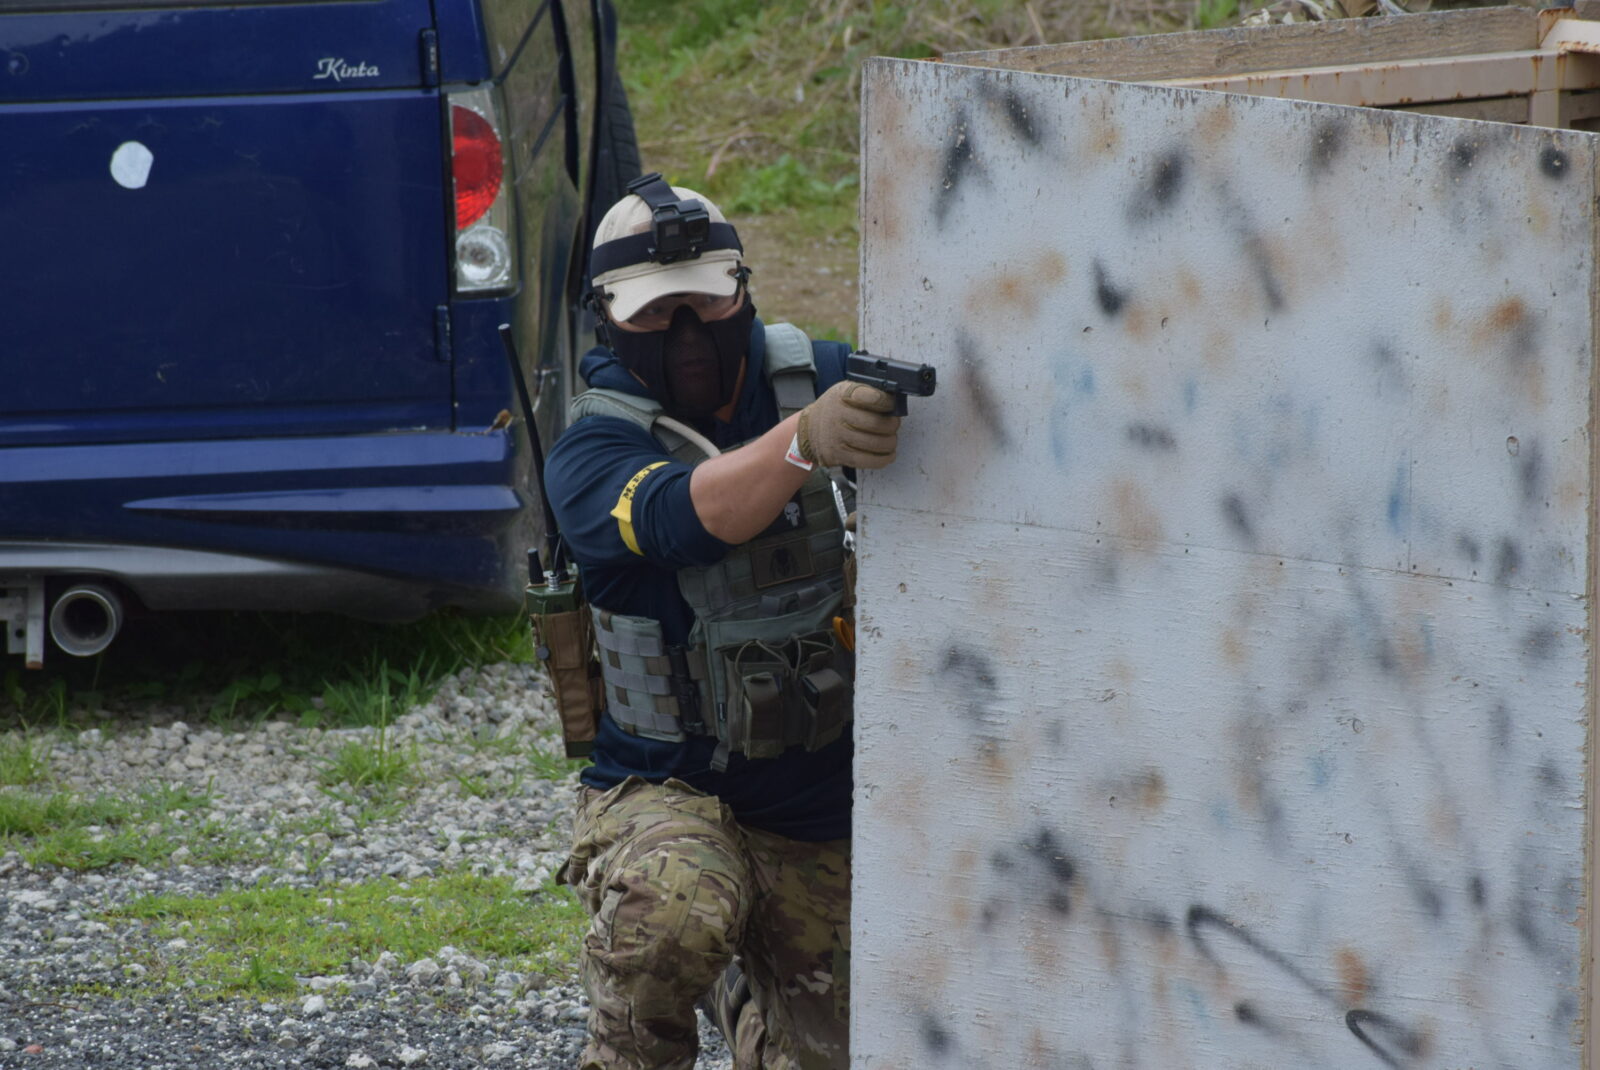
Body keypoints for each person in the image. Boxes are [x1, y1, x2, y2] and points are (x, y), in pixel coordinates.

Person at [547, 172, 903, 1070]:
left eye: (705, 304)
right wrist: (804, 442)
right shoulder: (592, 449)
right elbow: (685, 517)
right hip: (662, 792)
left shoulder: (815, 379)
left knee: (857, 1047)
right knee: (673, 914)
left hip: (816, 801)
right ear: (607, 320)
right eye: (655, 313)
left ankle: (744, 1005)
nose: (686, 334)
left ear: (742, 292)